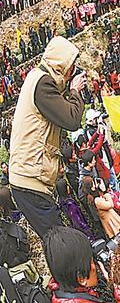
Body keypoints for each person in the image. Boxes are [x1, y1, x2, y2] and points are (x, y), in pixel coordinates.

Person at [8, 36, 86, 241]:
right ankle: (70, 274)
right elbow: (71, 119)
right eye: (72, 66)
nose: (73, 72)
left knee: (55, 238)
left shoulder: (37, 78)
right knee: (57, 239)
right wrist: (75, 91)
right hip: (30, 180)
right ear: (62, 65)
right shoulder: (43, 84)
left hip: (29, 178)